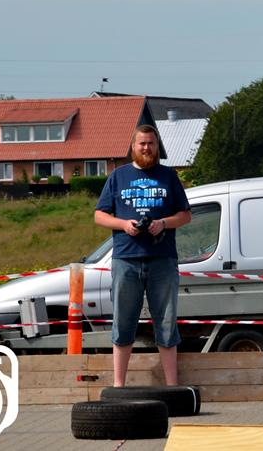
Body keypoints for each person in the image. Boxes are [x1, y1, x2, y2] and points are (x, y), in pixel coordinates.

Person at [95, 124, 192, 386]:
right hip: (126, 258)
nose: (147, 148)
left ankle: (172, 386)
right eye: (142, 144)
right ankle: (119, 385)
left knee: (166, 321)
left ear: (157, 146)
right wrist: (125, 225)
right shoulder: (118, 176)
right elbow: (99, 215)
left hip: (162, 259)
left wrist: (162, 223)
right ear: (133, 147)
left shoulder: (168, 176)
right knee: (123, 320)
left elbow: (186, 215)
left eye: (151, 143)